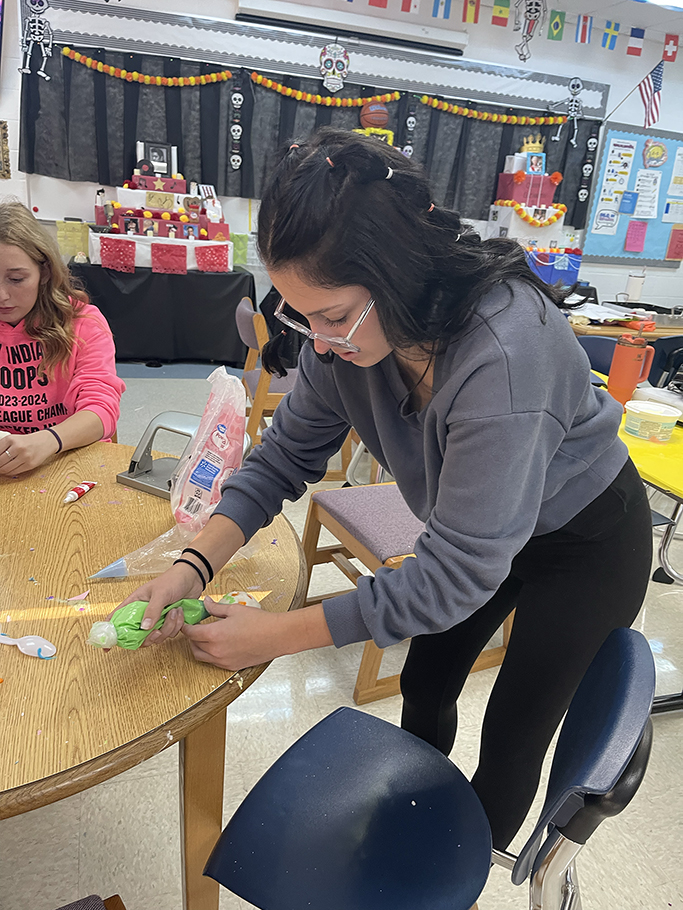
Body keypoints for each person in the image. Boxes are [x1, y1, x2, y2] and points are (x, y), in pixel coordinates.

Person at [117, 129, 652, 850]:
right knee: (426, 679)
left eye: (333, 317)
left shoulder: (503, 355)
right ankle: (414, 827)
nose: (319, 339)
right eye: (299, 314)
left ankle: (462, 867)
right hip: (480, 528)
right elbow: (280, 461)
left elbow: (452, 576)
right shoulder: (344, 342)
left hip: (580, 538)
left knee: (515, 732)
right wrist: (192, 563)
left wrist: (276, 635)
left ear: (397, 273)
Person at [0, 201, 125, 474]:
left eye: (17, 279)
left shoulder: (83, 323)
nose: (2, 296)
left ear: (44, 272)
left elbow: (101, 411)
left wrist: (48, 440)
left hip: (67, 459)